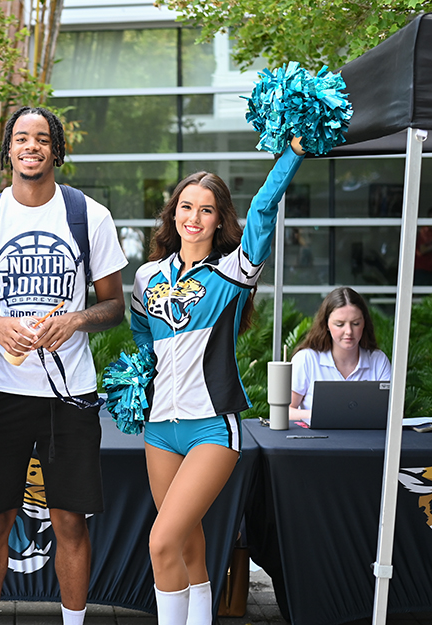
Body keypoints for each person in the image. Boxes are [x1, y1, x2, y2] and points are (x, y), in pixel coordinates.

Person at [0, 106, 128, 625]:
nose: (32, 146)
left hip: (69, 396)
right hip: (0, 393)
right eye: (22, 138)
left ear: (57, 150)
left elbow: (114, 306)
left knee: (70, 520)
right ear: (8, 149)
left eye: (43, 138)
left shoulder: (88, 216)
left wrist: (75, 320)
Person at [129, 138, 306, 625]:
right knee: (185, 540)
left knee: (161, 540)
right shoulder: (146, 276)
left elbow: (265, 208)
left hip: (212, 428)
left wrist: (290, 153)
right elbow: (143, 335)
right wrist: (137, 379)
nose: (194, 217)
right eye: (186, 206)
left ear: (219, 219)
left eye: (207, 210)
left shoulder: (234, 271)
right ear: (173, 214)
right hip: (159, 427)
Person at [289, 286, 392, 421]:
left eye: (355, 323)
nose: (348, 331)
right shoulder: (306, 359)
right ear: (326, 324)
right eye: (339, 324)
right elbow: (284, 411)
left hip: (368, 440)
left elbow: (392, 411)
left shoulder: (378, 360)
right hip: (316, 440)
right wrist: (318, 414)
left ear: (364, 324)